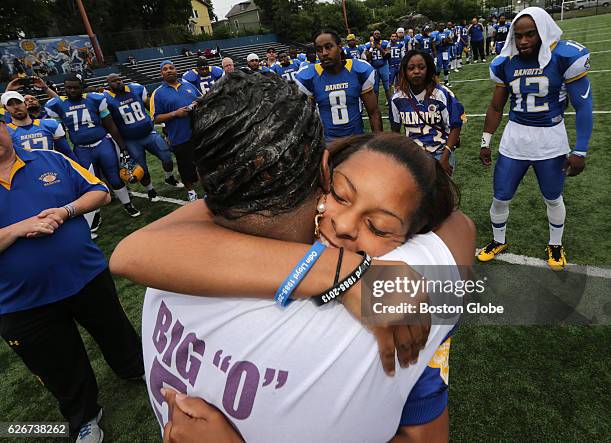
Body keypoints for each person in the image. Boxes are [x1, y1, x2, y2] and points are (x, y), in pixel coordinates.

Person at [111, 71, 475, 442]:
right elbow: (461, 227)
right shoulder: (377, 311)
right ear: (324, 171)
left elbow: (129, 252)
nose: (347, 225)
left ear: (205, 176)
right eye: (341, 194)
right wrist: (343, 271)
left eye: (379, 226)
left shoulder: (171, 269)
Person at [0, 120, 144, 443]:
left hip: (87, 275)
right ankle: (85, 417)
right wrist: (16, 229)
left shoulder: (50, 159)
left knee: (116, 331)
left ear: (5, 128)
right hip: (22, 302)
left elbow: (100, 191)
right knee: (59, 365)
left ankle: (136, 368)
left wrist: (65, 211)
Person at [478, 7, 592, 269]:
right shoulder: (506, 62)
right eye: (518, 36)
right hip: (515, 139)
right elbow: (496, 107)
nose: (523, 41)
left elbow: (583, 105)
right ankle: (498, 240)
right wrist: (486, 141)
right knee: (500, 196)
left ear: (543, 32)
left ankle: (555, 244)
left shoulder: (564, 57)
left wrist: (581, 150)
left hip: (551, 140)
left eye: (530, 35)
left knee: (552, 197)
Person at [44, 73, 141, 218]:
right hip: (82, 149)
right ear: (64, 89)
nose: (72, 90)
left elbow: (111, 125)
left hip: (102, 144)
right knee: (89, 183)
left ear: (81, 88)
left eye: (75, 88)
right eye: (68, 88)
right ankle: (95, 215)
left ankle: (128, 204)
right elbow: (59, 134)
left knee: (114, 177)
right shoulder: (56, 105)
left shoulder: (95, 99)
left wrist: (122, 147)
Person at [104, 74, 183, 202]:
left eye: (119, 79)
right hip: (131, 140)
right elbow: (109, 122)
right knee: (142, 168)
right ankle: (150, 190)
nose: (118, 82)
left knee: (167, 157)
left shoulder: (136, 89)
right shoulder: (106, 99)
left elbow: (150, 107)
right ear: (108, 84)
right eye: (114, 81)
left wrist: (161, 121)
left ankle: (169, 177)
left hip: (149, 133)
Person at [295, 30, 382, 141]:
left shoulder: (358, 70)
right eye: (319, 49)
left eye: (328, 47)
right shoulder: (308, 76)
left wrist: (378, 145)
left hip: (356, 140)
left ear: (340, 47)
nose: (324, 53)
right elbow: (307, 120)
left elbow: (373, 112)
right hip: (328, 143)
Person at [390, 50, 465, 176]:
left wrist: (445, 157)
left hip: (440, 152)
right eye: (411, 68)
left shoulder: (441, 94)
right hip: (413, 156)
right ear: (404, 72)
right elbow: (395, 132)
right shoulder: (397, 99)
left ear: (428, 69)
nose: (416, 71)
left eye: (421, 67)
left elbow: (456, 125)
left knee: (441, 194)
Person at [150, 60, 200, 202]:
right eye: (165, 69)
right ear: (161, 73)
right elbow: (155, 118)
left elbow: (201, 99)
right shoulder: (158, 93)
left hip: (198, 132)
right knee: (185, 166)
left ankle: (208, 186)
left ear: (176, 70)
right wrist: (174, 114)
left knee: (203, 161)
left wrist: (197, 103)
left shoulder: (188, 85)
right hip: (179, 136)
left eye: (171, 68)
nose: (169, 70)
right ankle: (191, 191)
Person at [1, 91, 75, 160]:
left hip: (50, 169)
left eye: (18, 102)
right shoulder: (5, 132)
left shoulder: (50, 124)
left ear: (25, 104)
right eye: (10, 104)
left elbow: (67, 154)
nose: (16, 107)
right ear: (5, 108)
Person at [363, 30, 392, 104]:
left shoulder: (385, 43)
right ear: (373, 35)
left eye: (378, 34)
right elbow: (367, 58)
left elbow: (387, 56)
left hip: (383, 66)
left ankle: (390, 103)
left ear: (380, 35)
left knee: (387, 86)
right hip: (374, 67)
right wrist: (372, 48)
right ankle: (375, 105)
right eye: (375, 34)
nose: (377, 35)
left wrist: (379, 47)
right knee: (375, 88)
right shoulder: (368, 45)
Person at [434, 23, 453, 87]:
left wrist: (448, 42)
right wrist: (441, 42)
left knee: (446, 66)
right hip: (439, 52)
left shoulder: (447, 33)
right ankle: (436, 82)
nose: (442, 27)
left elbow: (451, 42)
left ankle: (446, 81)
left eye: (443, 26)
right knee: (439, 67)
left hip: (446, 51)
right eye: (440, 26)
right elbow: (434, 45)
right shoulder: (435, 34)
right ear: (438, 26)